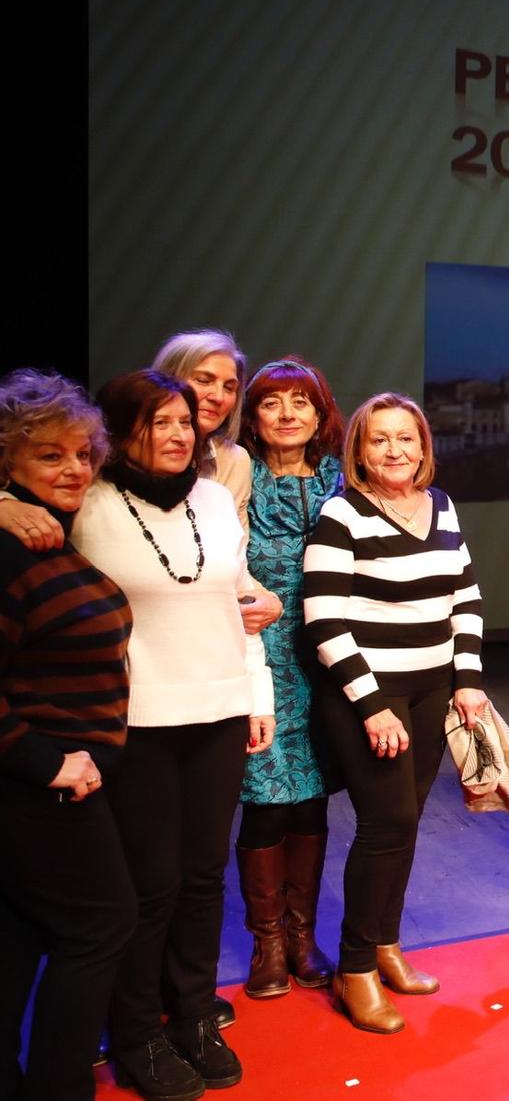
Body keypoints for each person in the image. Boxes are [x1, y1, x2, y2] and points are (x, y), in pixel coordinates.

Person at [71, 371, 273, 1096]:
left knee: (202, 876)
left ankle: (190, 1011)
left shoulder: (216, 498)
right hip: (137, 719)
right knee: (149, 885)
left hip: (218, 706)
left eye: (186, 420)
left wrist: (258, 691)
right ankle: (135, 1032)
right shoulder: (89, 502)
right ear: (122, 429)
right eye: (160, 420)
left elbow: (239, 597)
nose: (180, 432)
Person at [303, 394, 487, 1033]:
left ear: (423, 445)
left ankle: (385, 947)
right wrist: (373, 705)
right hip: (367, 698)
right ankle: (354, 969)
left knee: (403, 828)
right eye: (379, 440)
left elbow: (465, 596)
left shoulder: (440, 505)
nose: (395, 451)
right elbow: (324, 618)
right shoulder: (341, 514)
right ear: (359, 449)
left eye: (406, 438)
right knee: (387, 824)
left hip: (434, 688)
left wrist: (468, 680)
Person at [0, 372, 135, 1101]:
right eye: (50, 455)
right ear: (7, 462)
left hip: (57, 779)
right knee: (100, 925)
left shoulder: (47, 533)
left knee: (21, 931)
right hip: (39, 784)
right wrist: (43, 758)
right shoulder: (11, 544)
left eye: (83, 452)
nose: (75, 468)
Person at [233, 359, 344, 1001]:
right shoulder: (233, 475)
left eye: (301, 401)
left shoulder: (338, 476)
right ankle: (267, 942)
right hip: (256, 656)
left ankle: (302, 938)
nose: (287, 414)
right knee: (263, 799)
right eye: (272, 403)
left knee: (312, 799)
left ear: (320, 413)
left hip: (325, 656)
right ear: (253, 416)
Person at [151, 330, 253, 527]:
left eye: (229, 388)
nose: (218, 397)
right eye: (203, 381)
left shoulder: (234, 461)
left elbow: (235, 552)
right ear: (166, 380)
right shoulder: (125, 452)